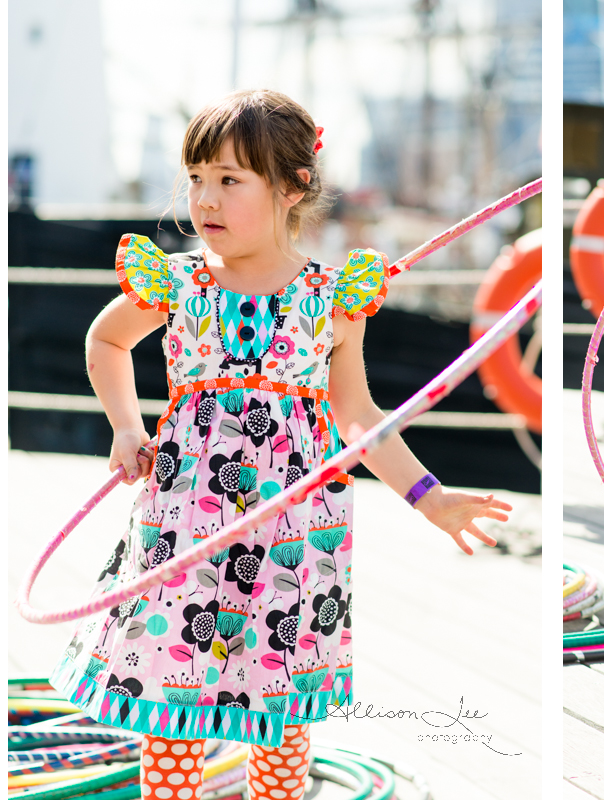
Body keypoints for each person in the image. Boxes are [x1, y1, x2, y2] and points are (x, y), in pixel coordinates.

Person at [50, 89, 512, 800]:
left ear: (292, 187)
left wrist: (430, 496)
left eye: (229, 180)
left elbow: (357, 415)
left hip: (293, 537)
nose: (204, 197)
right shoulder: (176, 281)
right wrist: (125, 425)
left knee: (281, 714)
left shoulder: (333, 297)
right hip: (185, 525)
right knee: (172, 707)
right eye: (197, 177)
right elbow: (106, 341)